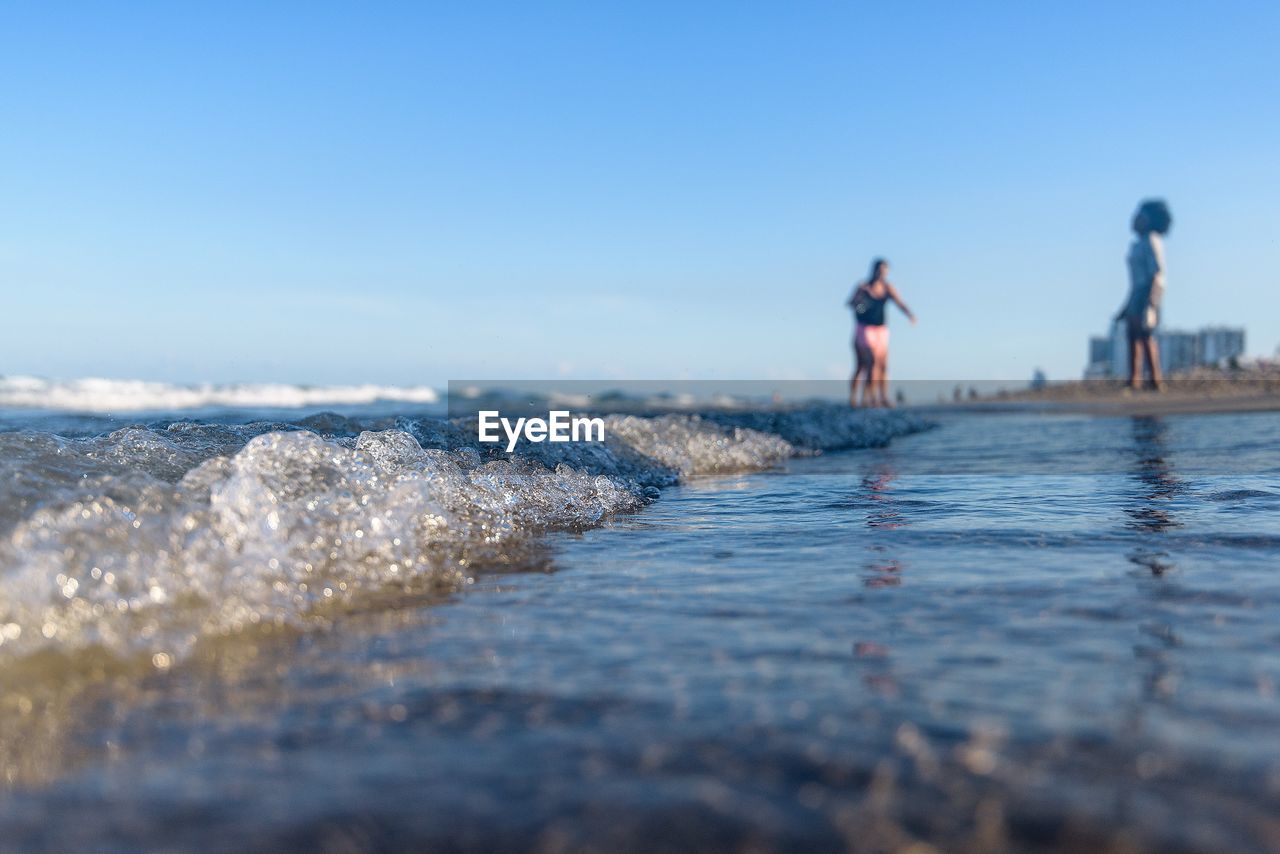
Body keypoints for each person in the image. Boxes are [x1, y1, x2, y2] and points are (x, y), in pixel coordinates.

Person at [1116, 199, 1172, 391]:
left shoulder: (1152, 240)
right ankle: (1135, 379)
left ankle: (1155, 379)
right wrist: (1126, 306)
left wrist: (1152, 301)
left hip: (1148, 290)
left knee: (1145, 333)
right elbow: (1133, 280)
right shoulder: (1137, 244)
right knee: (1132, 334)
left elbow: (1157, 271)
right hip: (1136, 291)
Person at [847, 258, 916, 408]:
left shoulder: (887, 288)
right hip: (864, 328)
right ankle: (861, 398)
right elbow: (852, 305)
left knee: (882, 365)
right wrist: (861, 300)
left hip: (881, 329)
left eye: (884, 271)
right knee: (865, 364)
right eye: (879, 270)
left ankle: (882, 397)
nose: (881, 274)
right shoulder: (863, 287)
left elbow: (899, 302)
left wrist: (910, 315)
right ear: (873, 270)